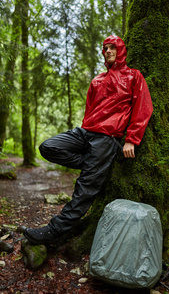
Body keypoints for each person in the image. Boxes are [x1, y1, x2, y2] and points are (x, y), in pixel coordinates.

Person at [23, 35, 153, 245]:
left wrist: (132, 139)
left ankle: (54, 233)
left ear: (121, 50)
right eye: (105, 48)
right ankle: (92, 168)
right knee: (48, 147)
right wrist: (90, 163)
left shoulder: (134, 76)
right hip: (85, 133)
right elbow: (89, 110)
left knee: (84, 190)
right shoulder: (97, 80)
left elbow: (143, 108)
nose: (108, 51)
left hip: (107, 138)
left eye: (113, 47)